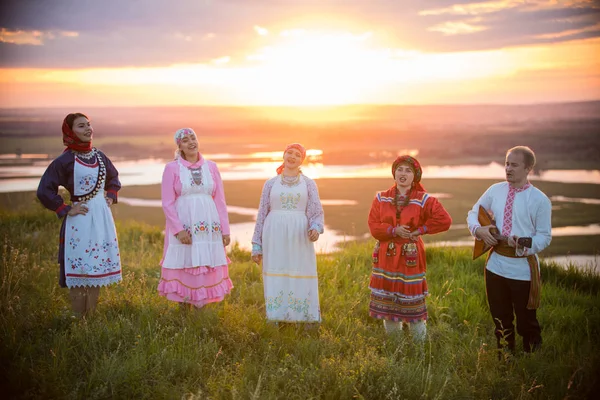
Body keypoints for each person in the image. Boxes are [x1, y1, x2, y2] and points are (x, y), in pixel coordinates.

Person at [467, 146, 551, 354]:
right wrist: (479, 230)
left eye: (514, 165)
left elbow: (544, 236)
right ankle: (505, 360)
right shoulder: (495, 190)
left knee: (526, 323)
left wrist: (522, 242)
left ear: (528, 168)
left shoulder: (540, 200)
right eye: (506, 163)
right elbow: (473, 212)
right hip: (495, 266)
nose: (508, 168)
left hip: (523, 270)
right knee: (500, 319)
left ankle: (532, 362)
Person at [37, 112, 122, 317]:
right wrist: (66, 208)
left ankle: (90, 320)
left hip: (101, 219)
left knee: (96, 270)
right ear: (70, 132)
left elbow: (113, 177)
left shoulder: (100, 156)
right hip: (80, 220)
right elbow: (44, 190)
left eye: (88, 125)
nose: (88, 129)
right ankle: (78, 320)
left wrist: (110, 196)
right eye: (81, 126)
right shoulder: (64, 160)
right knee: (80, 269)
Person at [367, 155, 452, 341]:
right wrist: (393, 230)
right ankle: (394, 345)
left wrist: (420, 230)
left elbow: (445, 220)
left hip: (409, 258)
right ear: (394, 173)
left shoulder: (424, 199)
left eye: (408, 170)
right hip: (386, 256)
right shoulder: (381, 198)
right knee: (388, 304)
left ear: (415, 176)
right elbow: (373, 225)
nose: (403, 174)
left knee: (412, 305)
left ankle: (418, 351)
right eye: (399, 169)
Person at [157, 128, 233, 308]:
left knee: (205, 262)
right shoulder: (172, 168)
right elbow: (167, 203)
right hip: (185, 225)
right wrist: (178, 230)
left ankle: (201, 311)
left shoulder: (212, 167)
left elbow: (220, 201)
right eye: (185, 140)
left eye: (193, 138)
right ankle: (184, 308)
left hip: (209, 226)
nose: (191, 142)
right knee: (186, 262)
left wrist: (225, 229)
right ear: (179, 146)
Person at [251, 143, 324, 325]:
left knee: (301, 272)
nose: (292, 157)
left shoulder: (308, 183)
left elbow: (316, 212)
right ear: (283, 155)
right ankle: (276, 318)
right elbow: (261, 213)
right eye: (289, 153)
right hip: (273, 234)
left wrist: (315, 228)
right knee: (276, 272)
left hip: (300, 236)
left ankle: (305, 319)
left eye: (297, 155)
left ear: (301, 160)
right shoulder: (270, 184)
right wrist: (256, 244)